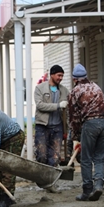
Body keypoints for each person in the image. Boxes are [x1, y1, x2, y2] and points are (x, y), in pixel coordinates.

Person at [67, 64, 104, 202]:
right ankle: (98, 185)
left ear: (75, 79)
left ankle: (87, 190)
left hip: (90, 123)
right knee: (99, 157)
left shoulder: (75, 91)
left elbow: (73, 117)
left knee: (86, 159)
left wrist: (76, 137)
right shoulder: (96, 87)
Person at [34, 64, 69, 193]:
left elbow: (67, 111)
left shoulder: (64, 91)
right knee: (42, 155)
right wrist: (58, 106)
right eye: (58, 75)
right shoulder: (40, 88)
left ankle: (50, 183)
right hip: (42, 126)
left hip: (57, 128)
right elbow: (40, 105)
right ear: (52, 75)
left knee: (54, 157)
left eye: (62, 76)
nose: (60, 78)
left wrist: (67, 128)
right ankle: (41, 179)